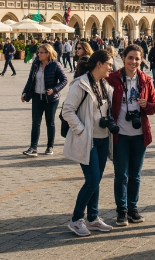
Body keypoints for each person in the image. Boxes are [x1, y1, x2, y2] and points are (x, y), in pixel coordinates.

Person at [62, 49, 116, 237]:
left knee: (97, 180)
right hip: (88, 140)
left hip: (102, 138)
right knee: (92, 180)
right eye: (109, 63)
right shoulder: (80, 84)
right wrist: (82, 130)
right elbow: (67, 110)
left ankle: (92, 218)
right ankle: (76, 220)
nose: (112, 67)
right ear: (99, 64)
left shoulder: (105, 84)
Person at [107, 45, 155, 226]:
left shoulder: (146, 80)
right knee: (121, 174)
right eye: (130, 58)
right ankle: (121, 210)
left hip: (139, 135)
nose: (133, 62)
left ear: (141, 60)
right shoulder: (112, 79)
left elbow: (154, 107)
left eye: (137, 58)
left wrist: (146, 105)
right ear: (122, 58)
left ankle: (132, 208)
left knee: (135, 175)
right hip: (119, 134)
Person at [21, 43, 68, 156]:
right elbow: (30, 79)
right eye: (38, 52)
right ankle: (33, 148)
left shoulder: (55, 65)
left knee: (50, 123)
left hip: (51, 98)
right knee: (35, 123)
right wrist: (25, 92)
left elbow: (64, 80)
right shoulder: (36, 64)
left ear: (48, 53)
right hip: (37, 97)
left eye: (41, 52)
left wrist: (54, 90)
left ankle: (50, 146)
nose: (39, 54)